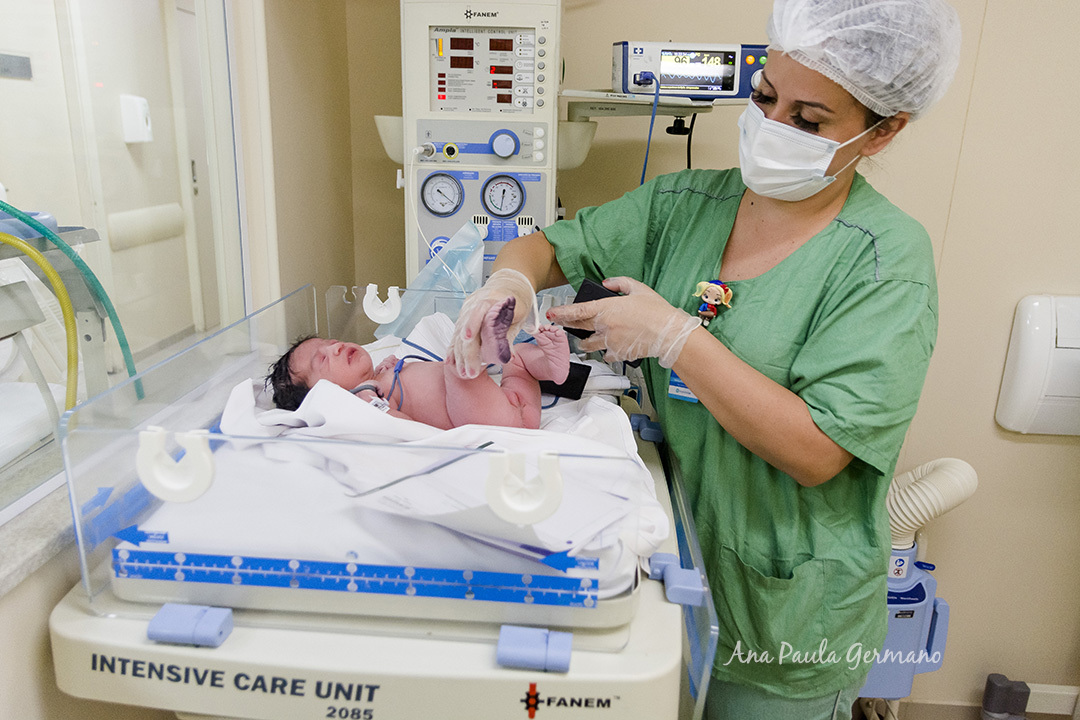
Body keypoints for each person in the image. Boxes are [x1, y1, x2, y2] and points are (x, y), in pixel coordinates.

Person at [447, 0, 961, 716]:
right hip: (669, 562)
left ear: (883, 133)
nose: (773, 129)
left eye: (809, 122)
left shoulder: (884, 263)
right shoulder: (687, 203)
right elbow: (548, 248)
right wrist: (509, 280)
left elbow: (818, 450)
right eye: (764, 99)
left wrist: (675, 340)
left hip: (784, 615)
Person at [267, 299, 571, 431]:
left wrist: (392, 366)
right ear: (324, 394)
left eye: (329, 342)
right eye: (322, 359)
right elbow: (399, 427)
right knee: (457, 365)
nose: (334, 347)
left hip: (515, 407)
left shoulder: (382, 373)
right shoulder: (367, 398)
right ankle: (479, 347)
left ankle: (550, 367)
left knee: (516, 357)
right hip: (486, 422)